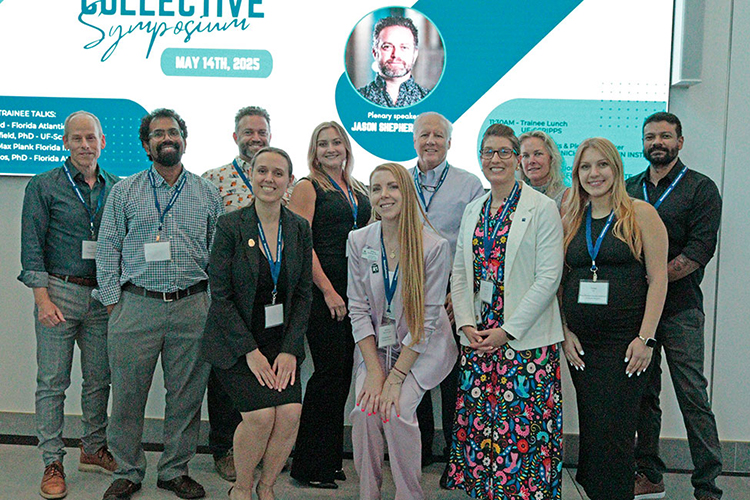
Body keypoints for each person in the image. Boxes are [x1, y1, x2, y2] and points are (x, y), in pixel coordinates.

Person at [94, 109, 224, 500]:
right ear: (146, 144)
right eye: (157, 134)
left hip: (192, 306)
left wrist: (211, 305)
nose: (166, 138)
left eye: (173, 132)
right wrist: (115, 304)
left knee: (186, 396)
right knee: (127, 396)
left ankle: (174, 470)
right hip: (137, 305)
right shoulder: (125, 191)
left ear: (184, 139)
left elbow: (218, 255)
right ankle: (128, 470)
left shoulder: (207, 192)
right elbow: (107, 249)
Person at [445, 123, 564, 499]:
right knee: (482, 433)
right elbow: (460, 273)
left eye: (504, 152)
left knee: (522, 438)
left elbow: (548, 278)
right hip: (479, 341)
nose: (495, 159)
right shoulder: (474, 209)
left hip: (524, 344)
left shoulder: (542, 208)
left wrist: (507, 331)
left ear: (516, 159)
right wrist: (466, 324)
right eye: (488, 152)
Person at [560, 137, 668, 500]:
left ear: (616, 169)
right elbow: (560, 280)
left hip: (626, 345)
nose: (594, 173)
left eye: (602, 164)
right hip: (582, 346)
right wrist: (564, 330)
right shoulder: (572, 216)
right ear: (577, 174)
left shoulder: (641, 213)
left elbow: (658, 279)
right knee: (593, 428)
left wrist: (646, 338)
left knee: (616, 432)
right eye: (586, 166)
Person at [202, 147, 313, 500]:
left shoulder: (299, 228)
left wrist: (291, 350)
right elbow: (220, 296)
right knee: (262, 416)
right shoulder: (230, 226)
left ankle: (266, 487)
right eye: (262, 171)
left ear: (289, 181)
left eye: (278, 173)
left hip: (279, 343)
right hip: (236, 343)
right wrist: (250, 351)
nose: (269, 179)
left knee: (290, 413)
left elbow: (303, 295)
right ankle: (242, 487)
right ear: (250, 176)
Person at [19, 111, 119, 499]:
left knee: (99, 379)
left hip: (102, 298)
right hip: (58, 294)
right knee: (53, 382)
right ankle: (52, 461)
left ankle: (93, 448)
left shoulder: (117, 187)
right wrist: (41, 298)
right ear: (65, 142)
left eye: (90, 138)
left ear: (102, 141)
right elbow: (32, 246)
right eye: (76, 138)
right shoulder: (43, 185)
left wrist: (117, 296)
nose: (84, 145)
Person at [626, 112, 723, 500]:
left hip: (681, 309)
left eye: (665, 136)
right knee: (644, 395)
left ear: (680, 142)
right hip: (639, 313)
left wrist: (655, 279)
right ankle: (649, 474)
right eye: (650, 137)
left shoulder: (701, 188)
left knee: (692, 395)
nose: (657, 143)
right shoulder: (629, 187)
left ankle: (708, 485)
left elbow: (700, 250)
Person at [347, 162, 457, 500]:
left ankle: (409, 495)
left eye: (392, 187)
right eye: (376, 188)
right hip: (377, 346)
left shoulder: (433, 246)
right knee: (364, 412)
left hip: (423, 347)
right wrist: (374, 372)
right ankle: (369, 493)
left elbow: (427, 320)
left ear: (407, 192)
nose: (384, 195)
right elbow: (358, 309)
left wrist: (394, 378)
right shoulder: (358, 240)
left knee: (396, 412)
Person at [289, 121, 371, 488]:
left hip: (355, 294)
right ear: (314, 151)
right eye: (323, 144)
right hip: (326, 295)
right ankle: (310, 467)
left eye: (337, 142)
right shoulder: (308, 187)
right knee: (327, 376)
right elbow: (302, 244)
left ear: (346, 147)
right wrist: (327, 290)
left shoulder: (357, 188)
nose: (331, 148)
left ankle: (329, 460)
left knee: (340, 378)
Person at [406, 112, 485, 473]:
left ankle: (456, 462)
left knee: (455, 381)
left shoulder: (469, 185)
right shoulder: (400, 181)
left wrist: (461, 292)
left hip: (453, 297)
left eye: (438, 135)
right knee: (413, 373)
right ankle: (416, 453)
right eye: (424, 135)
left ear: (450, 142)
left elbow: (477, 244)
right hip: (409, 294)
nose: (431, 141)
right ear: (414, 141)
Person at [201, 105, 272, 482]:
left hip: (270, 298)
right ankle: (224, 448)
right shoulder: (212, 180)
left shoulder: (285, 178)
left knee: (266, 374)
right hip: (228, 296)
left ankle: (261, 448)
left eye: (261, 132)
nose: (255, 138)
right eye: (249, 132)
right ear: (235, 137)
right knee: (227, 375)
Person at [358, 16, 430, 107]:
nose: (395, 55)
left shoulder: (432, 101)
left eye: (404, 47)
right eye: (387, 47)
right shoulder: (355, 99)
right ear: (375, 53)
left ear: (415, 54)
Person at [519, 130, 569, 209]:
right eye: (525, 156)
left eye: (538, 154)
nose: (531, 161)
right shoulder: (514, 196)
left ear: (551, 158)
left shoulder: (566, 196)